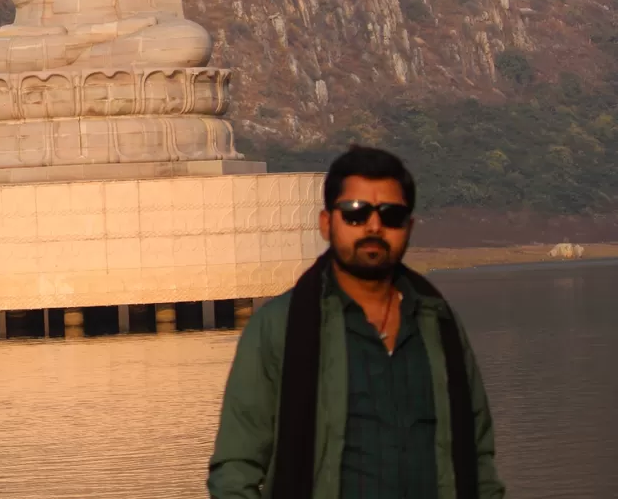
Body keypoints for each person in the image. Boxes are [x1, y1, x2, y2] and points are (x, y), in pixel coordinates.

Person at [208, 145, 505, 499]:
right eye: (355, 213)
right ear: (325, 223)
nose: (374, 226)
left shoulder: (438, 325)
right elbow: (235, 473)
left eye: (390, 215)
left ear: (408, 227)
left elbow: (479, 458)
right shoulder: (279, 329)